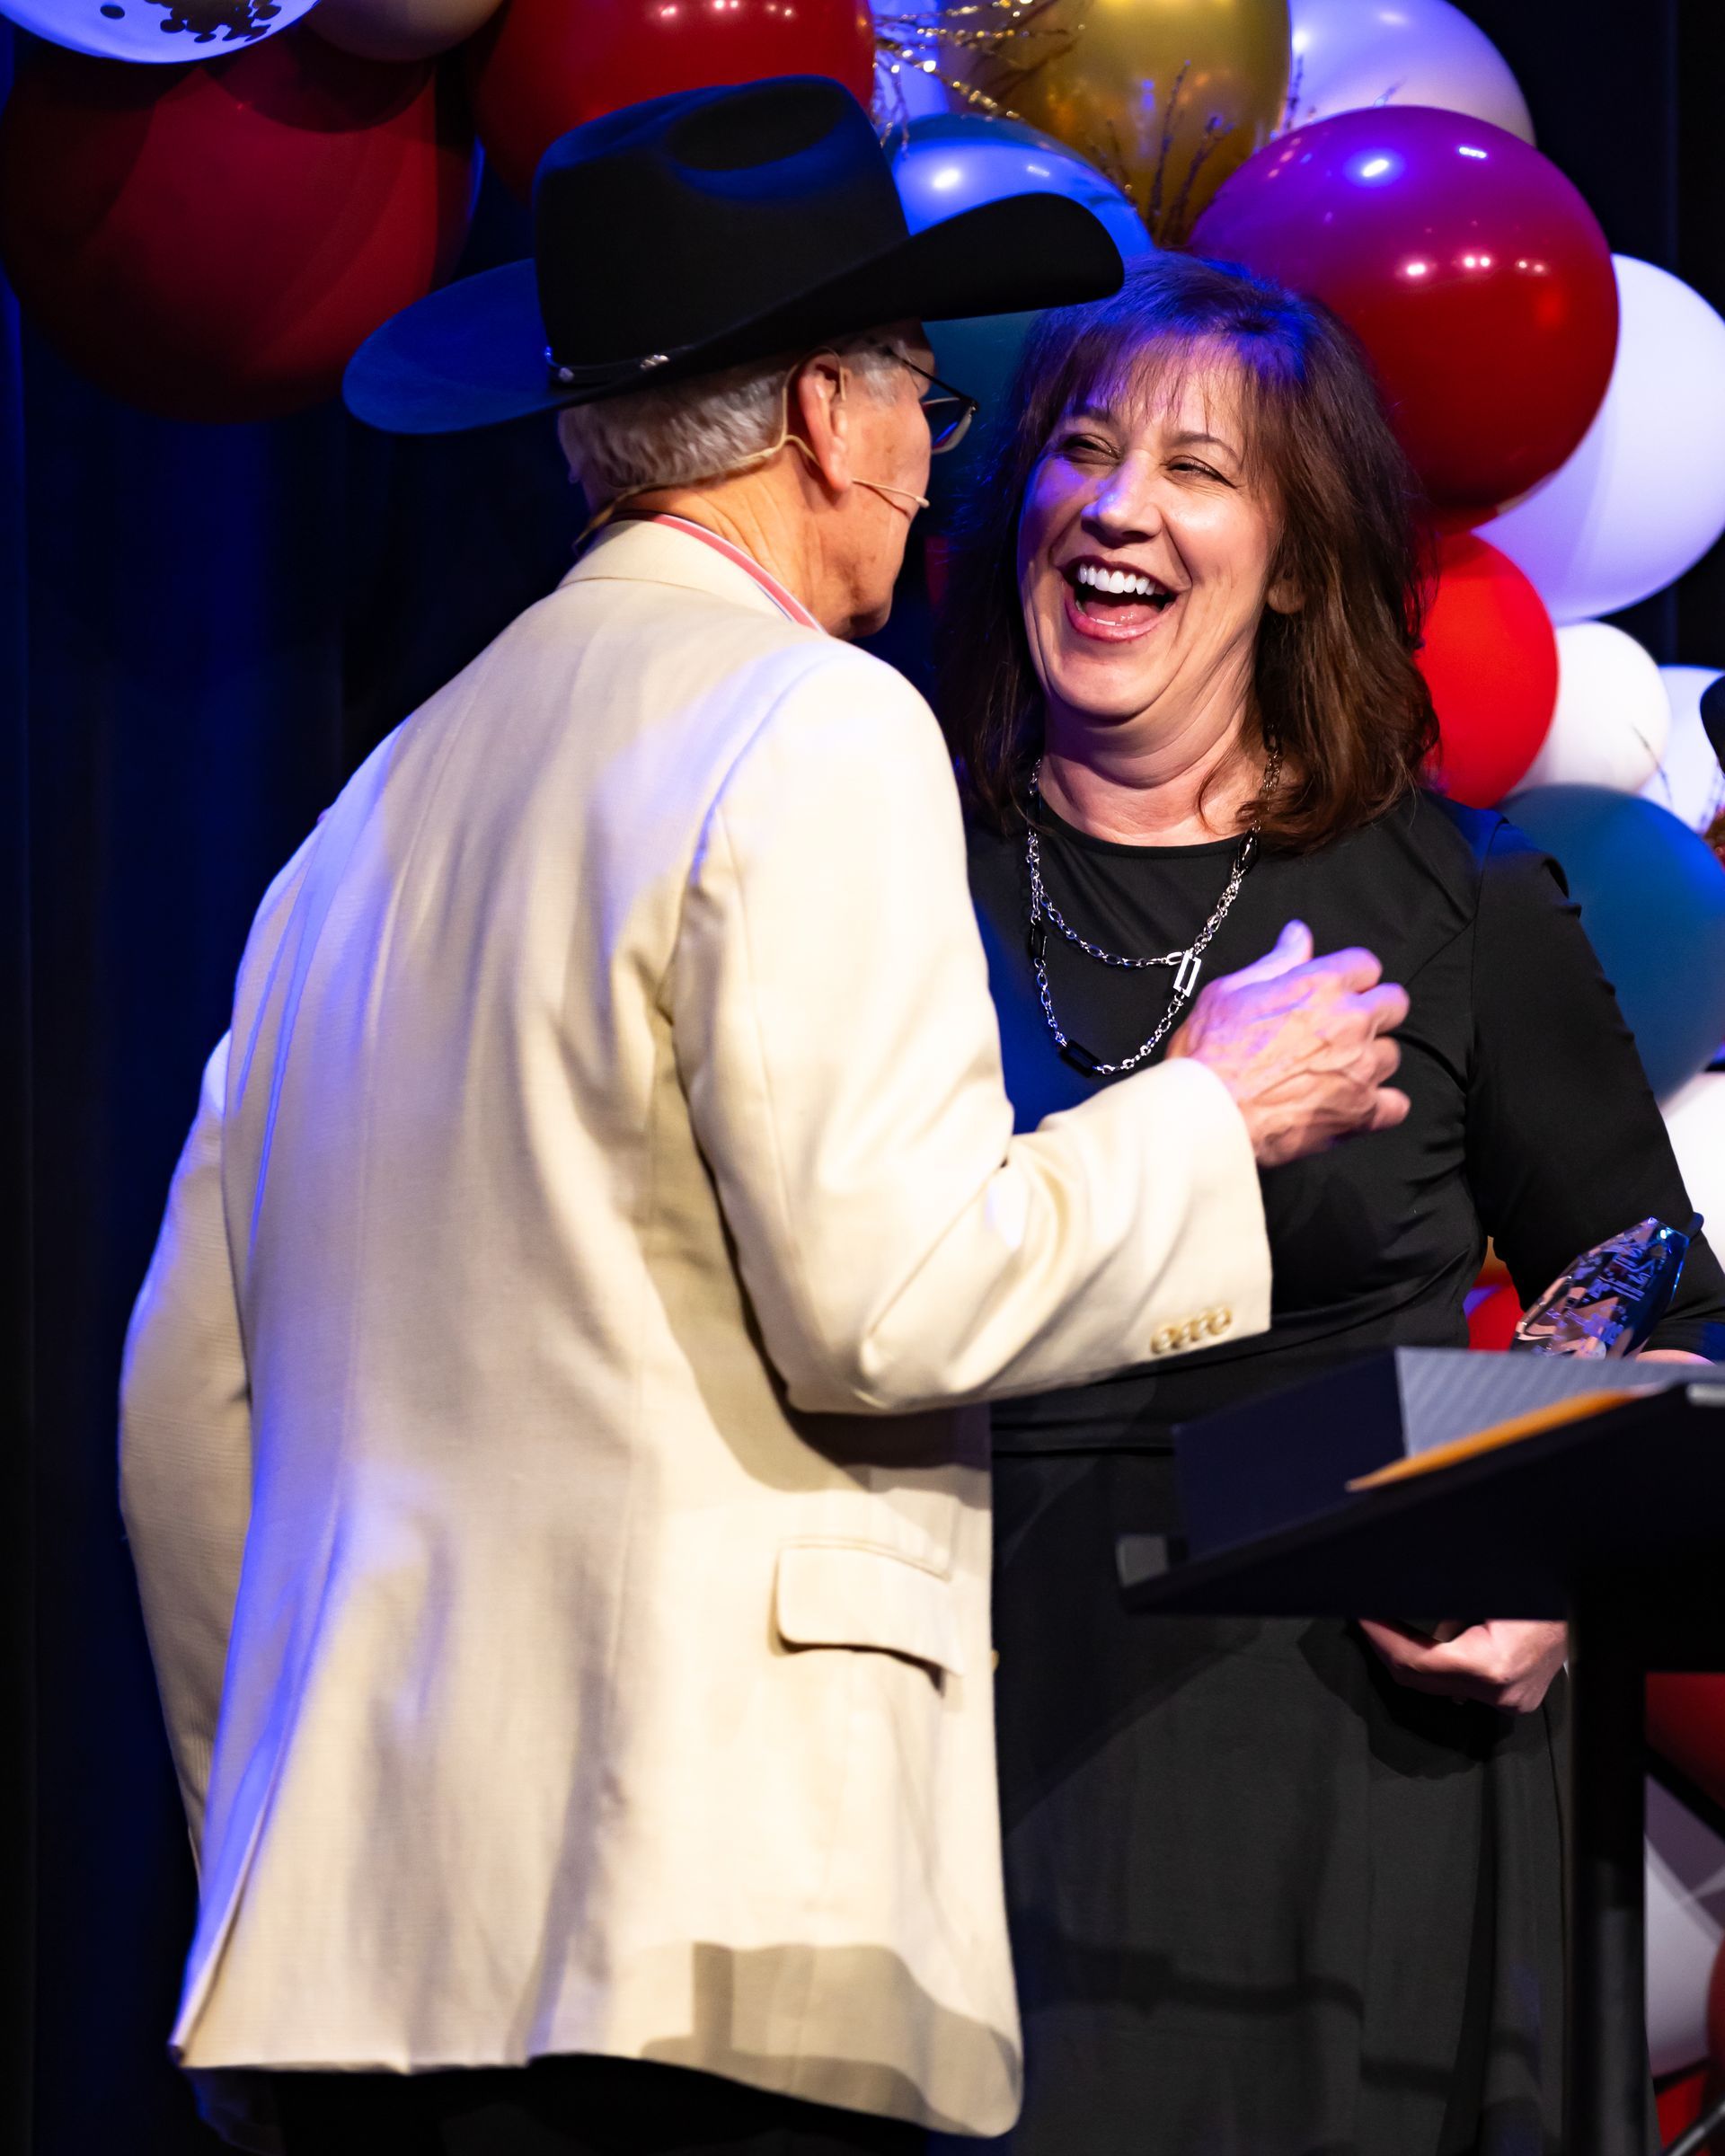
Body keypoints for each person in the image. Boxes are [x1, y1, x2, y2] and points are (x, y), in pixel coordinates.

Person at [118, 85, 1411, 2156]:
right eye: (918, 393)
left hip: (354, 1979)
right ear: (824, 412)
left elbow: (186, 1412)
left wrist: (279, 1862)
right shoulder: (808, 722)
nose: (927, 466)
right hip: (698, 1948)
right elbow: (886, 1298)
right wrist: (1202, 1114)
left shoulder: (355, 831)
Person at [947, 250, 1725, 2156]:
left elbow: (1657, 1284)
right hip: (980, 1746)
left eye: (1198, 472)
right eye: (1082, 450)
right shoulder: (889, 870)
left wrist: (1534, 1550)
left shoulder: (1456, 902)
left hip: (1369, 1785)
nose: (1117, 506)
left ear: (1294, 563)